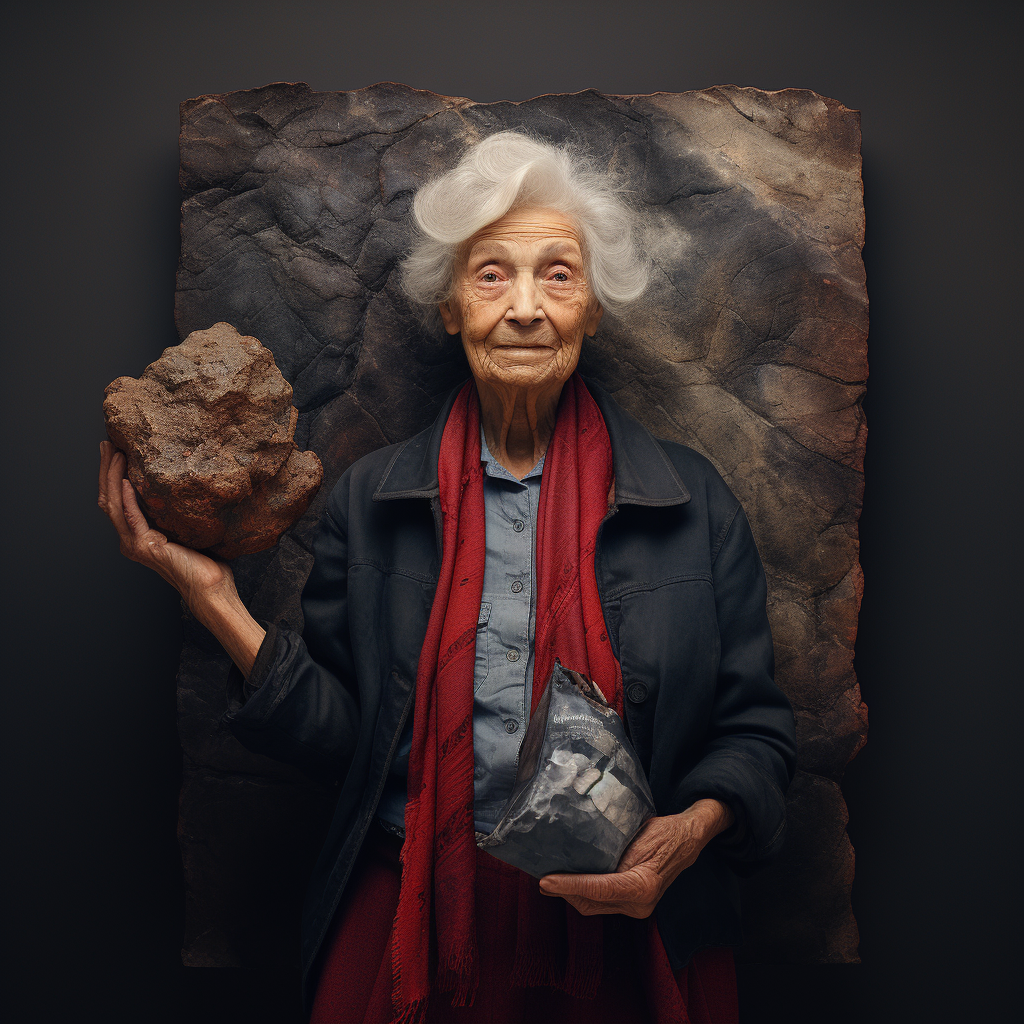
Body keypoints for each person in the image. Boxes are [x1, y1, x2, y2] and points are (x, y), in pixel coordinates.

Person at [98, 131, 796, 1024]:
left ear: (590, 312)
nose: (526, 308)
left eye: (558, 274)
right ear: (451, 308)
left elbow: (759, 739)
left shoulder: (692, 503)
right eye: (492, 274)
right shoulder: (371, 500)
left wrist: (690, 832)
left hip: (626, 926)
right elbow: (349, 744)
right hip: (413, 910)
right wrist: (215, 601)